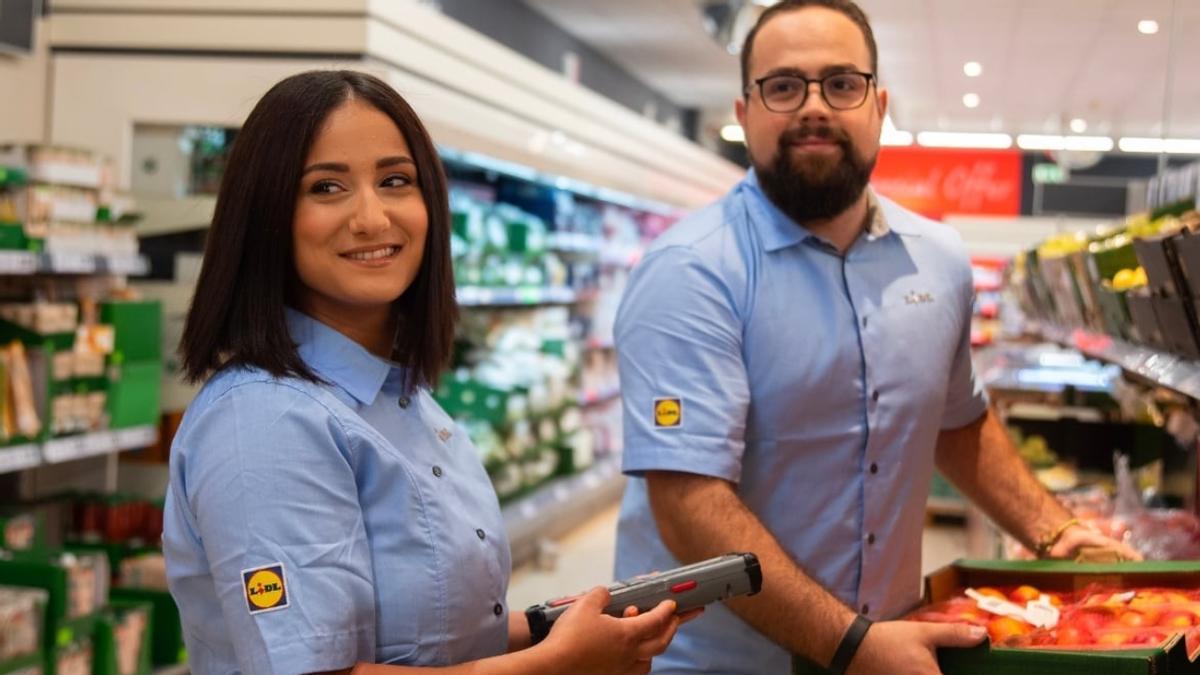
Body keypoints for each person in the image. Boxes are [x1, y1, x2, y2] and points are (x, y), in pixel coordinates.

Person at [611, 2, 1140, 674]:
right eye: (783, 86)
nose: (814, 107)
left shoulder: (938, 259)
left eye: (841, 83)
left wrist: (1054, 528)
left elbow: (957, 420)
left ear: (878, 104)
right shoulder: (690, 270)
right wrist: (851, 644)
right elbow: (691, 501)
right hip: (720, 660)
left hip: (886, 641)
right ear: (743, 114)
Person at [162, 69, 690, 675]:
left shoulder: (395, 395)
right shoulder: (264, 422)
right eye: (326, 187)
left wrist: (562, 627)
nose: (372, 218)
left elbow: (428, 639)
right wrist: (560, 666)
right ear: (265, 214)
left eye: (395, 181)